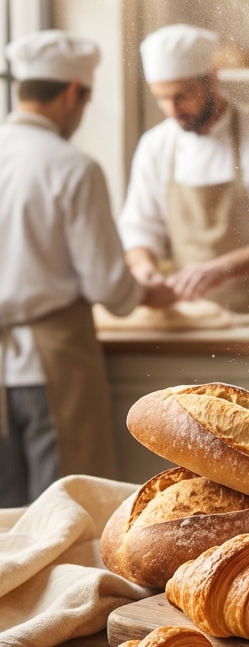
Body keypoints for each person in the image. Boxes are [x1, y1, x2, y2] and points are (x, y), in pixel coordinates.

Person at [0, 30, 175, 507]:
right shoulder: (72, 167)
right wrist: (146, 292)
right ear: (73, 93)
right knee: (64, 509)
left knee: (5, 515)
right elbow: (110, 287)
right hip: (51, 362)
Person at [119, 24, 249, 313]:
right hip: (190, 318)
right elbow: (139, 228)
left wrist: (222, 269)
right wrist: (143, 267)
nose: (172, 110)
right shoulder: (155, 145)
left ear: (212, 78)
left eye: (182, 95)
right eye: (161, 97)